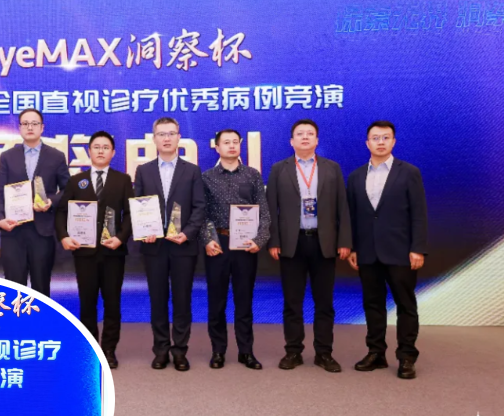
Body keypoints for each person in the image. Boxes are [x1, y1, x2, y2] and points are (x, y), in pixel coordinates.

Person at [267, 119, 351, 373]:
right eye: (300, 134)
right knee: (292, 302)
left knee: (324, 302)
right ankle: (293, 351)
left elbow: (342, 207)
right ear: (291, 141)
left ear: (317, 140)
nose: (305, 137)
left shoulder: (332, 168)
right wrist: (274, 240)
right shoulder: (279, 169)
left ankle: (324, 353)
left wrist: (344, 241)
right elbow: (271, 209)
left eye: (310, 134)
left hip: (324, 242)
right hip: (291, 244)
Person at [347, 121, 428, 379]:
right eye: (375, 138)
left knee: (406, 305)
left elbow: (419, 214)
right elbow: (352, 216)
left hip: (401, 252)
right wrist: (353, 248)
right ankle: (376, 353)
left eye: (385, 137)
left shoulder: (409, 172)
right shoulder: (356, 176)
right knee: (373, 304)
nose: (380, 142)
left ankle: (406, 357)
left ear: (394, 142)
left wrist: (418, 248)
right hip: (367, 252)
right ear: (367, 143)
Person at [55, 131, 133, 369]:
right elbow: (61, 212)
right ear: (89, 151)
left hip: (113, 252)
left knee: (112, 303)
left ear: (113, 152)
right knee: (87, 302)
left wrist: (121, 238)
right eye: (96, 147)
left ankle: (109, 350)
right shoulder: (77, 180)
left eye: (105, 147)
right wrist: (64, 236)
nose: (101, 151)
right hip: (84, 253)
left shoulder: (123, 180)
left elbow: (130, 214)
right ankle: (90, 350)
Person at [134, 117, 206, 371]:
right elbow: (138, 205)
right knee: (158, 299)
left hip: (183, 245)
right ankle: (161, 349)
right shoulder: (144, 170)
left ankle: (180, 350)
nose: (166, 138)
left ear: (179, 137)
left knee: (182, 299)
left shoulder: (192, 170)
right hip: (154, 246)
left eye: (171, 133)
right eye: (161, 134)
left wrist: (187, 233)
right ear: (154, 138)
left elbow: (199, 207)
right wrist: (144, 230)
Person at [201, 129, 271, 370]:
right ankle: (218, 351)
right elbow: (202, 214)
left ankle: (246, 352)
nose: (231, 146)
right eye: (226, 142)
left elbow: (264, 212)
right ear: (217, 147)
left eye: (235, 142)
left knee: (244, 301)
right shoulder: (207, 177)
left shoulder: (252, 175)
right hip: (218, 245)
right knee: (216, 302)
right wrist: (207, 239)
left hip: (246, 246)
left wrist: (260, 239)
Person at [0, 109, 70, 296]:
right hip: (13, 230)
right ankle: (16, 317)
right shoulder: (7, 156)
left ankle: (40, 317)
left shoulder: (56, 156)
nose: (30, 127)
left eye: (34, 123)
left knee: (41, 287)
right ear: (19, 128)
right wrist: (0, 219)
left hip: (42, 231)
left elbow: (68, 190)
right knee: (14, 288)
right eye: (25, 123)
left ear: (42, 128)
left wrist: (51, 202)